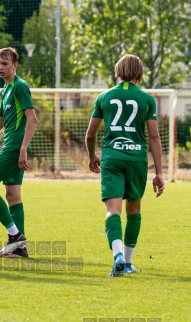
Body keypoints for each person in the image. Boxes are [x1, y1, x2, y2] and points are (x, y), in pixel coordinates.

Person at [85, 54, 164, 277]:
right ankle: (128, 263)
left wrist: (92, 157)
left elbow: (90, 135)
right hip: (137, 159)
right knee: (134, 211)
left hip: (112, 158)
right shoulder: (147, 100)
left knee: (112, 211)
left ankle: (117, 255)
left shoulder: (104, 97)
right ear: (140, 73)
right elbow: (155, 137)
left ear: (117, 71)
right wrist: (158, 172)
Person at [0, 47, 34, 258]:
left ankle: (15, 236)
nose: (0, 68)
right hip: (14, 145)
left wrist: (22, 149)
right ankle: (20, 249)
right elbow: (0, 122)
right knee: (12, 195)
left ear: (15, 65)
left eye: (5, 64)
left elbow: (32, 118)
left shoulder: (20, 87)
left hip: (14, 147)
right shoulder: (6, 89)